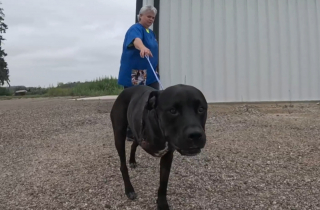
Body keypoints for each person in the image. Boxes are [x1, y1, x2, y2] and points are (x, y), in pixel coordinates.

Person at [117, 5, 160, 141]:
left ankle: (152, 126)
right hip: (138, 73)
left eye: (153, 17)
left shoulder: (150, 33)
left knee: (155, 99)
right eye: (148, 16)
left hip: (151, 73)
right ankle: (130, 131)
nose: (151, 19)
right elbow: (136, 41)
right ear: (140, 16)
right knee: (136, 101)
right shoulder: (135, 28)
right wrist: (142, 48)